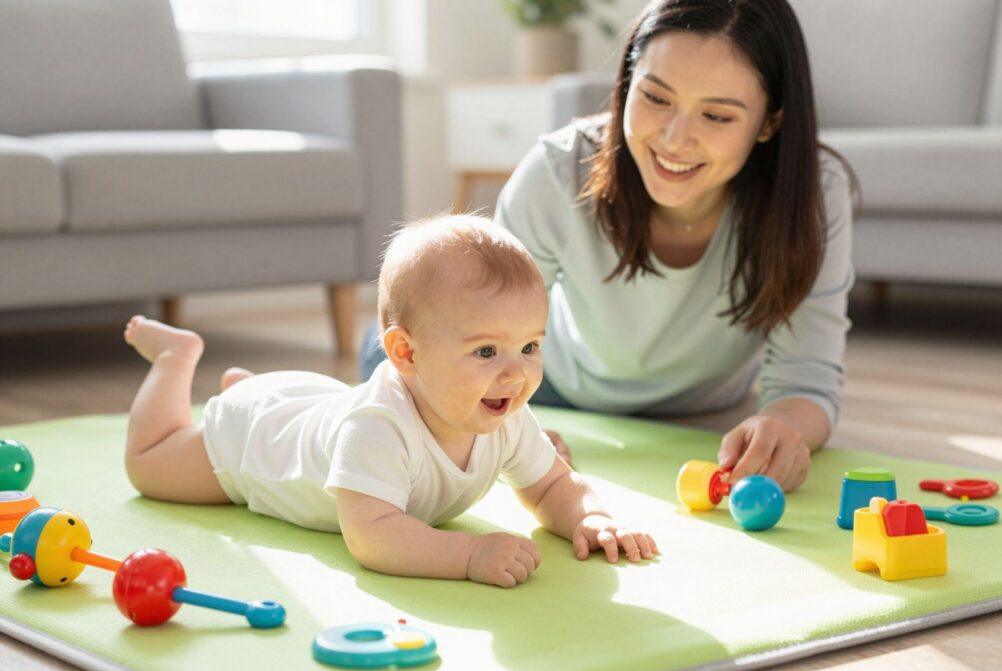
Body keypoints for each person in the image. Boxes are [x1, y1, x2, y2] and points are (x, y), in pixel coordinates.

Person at [122, 214, 657, 589]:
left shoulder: (504, 407)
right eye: (487, 350)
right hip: (250, 448)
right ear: (405, 353)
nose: (515, 373)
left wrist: (591, 517)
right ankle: (177, 358)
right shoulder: (379, 427)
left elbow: (552, 485)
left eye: (530, 346)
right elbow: (373, 536)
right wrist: (469, 554)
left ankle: (249, 387)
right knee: (149, 466)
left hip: (316, 405)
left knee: (301, 410)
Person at [492, 0, 856, 493]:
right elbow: (484, 340)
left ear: (769, 123)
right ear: (626, 81)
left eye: (716, 116)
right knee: (412, 362)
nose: (674, 139)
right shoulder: (557, 171)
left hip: (709, 409)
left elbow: (806, 382)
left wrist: (784, 429)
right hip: (553, 385)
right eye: (657, 99)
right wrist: (513, 425)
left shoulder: (812, 195)